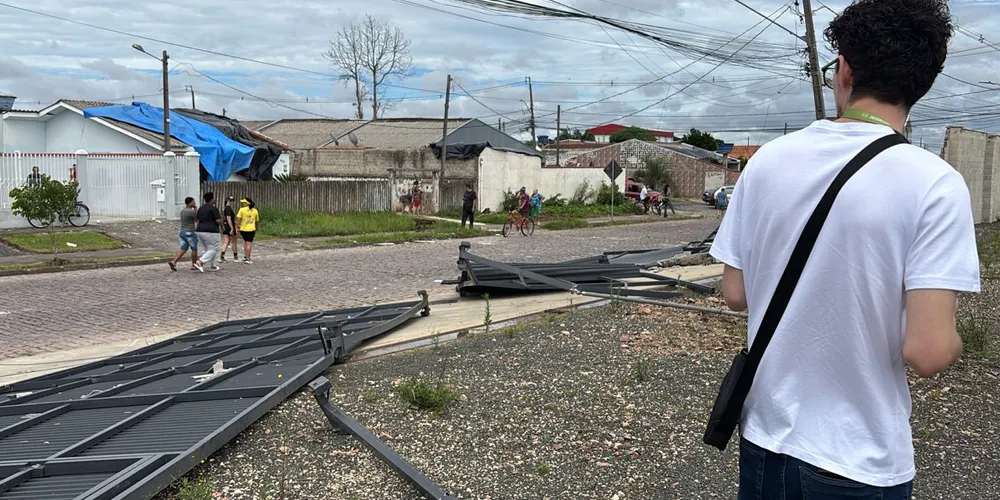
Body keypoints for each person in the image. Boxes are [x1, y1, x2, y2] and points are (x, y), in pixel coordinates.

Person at [710, 0, 980, 497]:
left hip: (764, 437)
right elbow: (928, 352)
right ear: (923, 83)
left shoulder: (766, 161)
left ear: (844, 71)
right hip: (858, 457)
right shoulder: (935, 184)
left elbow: (734, 293)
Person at [168, 197, 200, 272]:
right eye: (193, 202)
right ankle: (194, 265)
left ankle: (174, 262)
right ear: (190, 203)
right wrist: (196, 210)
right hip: (190, 232)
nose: (194, 203)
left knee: (183, 248)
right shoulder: (191, 212)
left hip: (182, 231)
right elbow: (197, 220)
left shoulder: (183, 211)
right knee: (194, 249)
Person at [194, 191, 222, 272]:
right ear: (212, 199)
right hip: (211, 231)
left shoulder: (201, 208)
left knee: (208, 248)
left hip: (200, 230)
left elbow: (197, 221)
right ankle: (200, 262)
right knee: (214, 248)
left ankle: (212, 265)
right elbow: (218, 221)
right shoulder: (214, 208)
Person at [236, 197, 260, 264]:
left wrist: (237, 227)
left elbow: (238, 219)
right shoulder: (255, 211)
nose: (242, 203)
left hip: (243, 229)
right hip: (251, 229)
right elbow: (257, 221)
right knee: (249, 243)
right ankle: (248, 257)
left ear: (247, 203)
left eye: (244, 202)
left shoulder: (241, 210)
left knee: (246, 242)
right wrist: (257, 227)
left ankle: (245, 256)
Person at [220, 196, 238, 262]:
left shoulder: (226, 208)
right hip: (229, 226)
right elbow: (228, 218)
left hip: (226, 226)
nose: (231, 202)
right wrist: (232, 228)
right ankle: (235, 257)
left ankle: (222, 256)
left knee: (226, 241)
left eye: (232, 200)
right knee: (233, 241)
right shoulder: (228, 208)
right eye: (230, 200)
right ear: (227, 200)